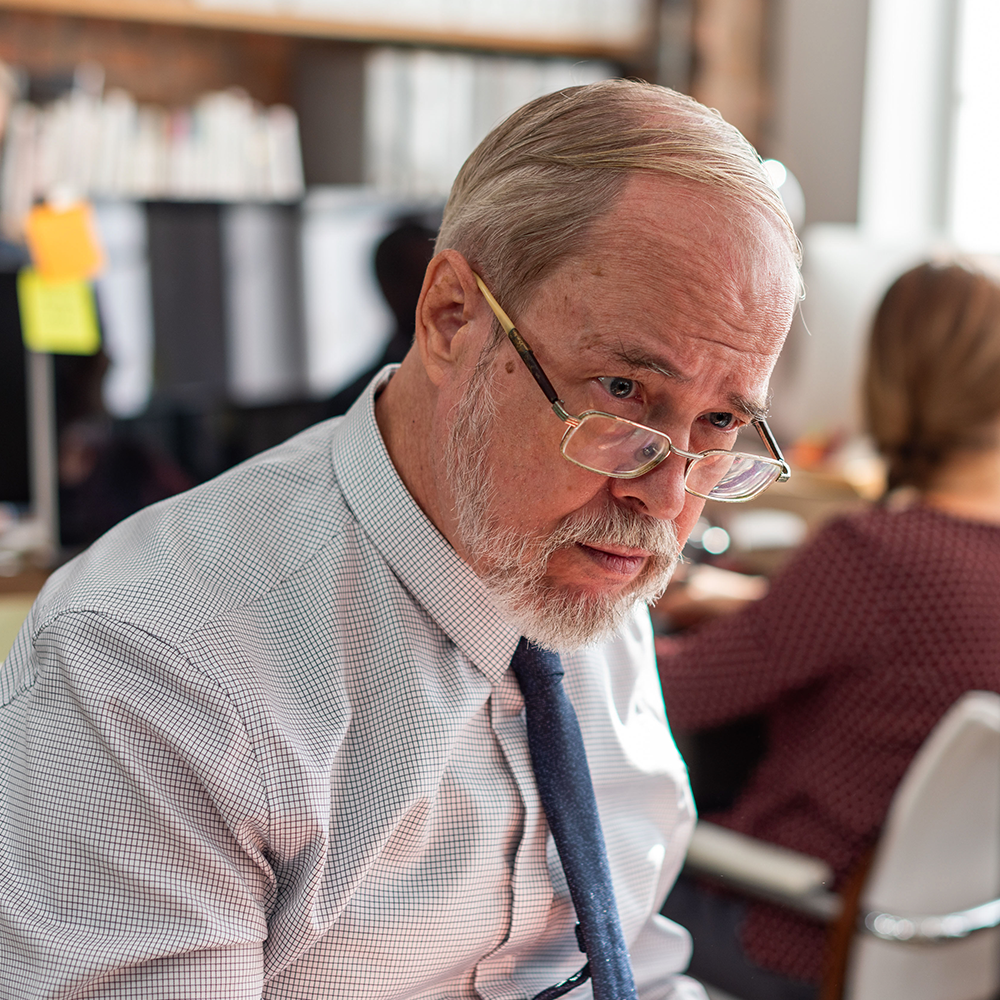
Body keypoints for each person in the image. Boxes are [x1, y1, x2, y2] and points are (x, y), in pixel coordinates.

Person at [0, 80, 800, 999]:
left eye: (722, 424)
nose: (665, 499)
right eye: (621, 390)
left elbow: (635, 971)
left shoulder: (583, 564)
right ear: (452, 314)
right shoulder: (149, 671)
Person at [658, 260, 1000, 1000]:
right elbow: (908, 654)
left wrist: (598, 634)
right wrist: (755, 609)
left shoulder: (875, 557)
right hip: (947, 951)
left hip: (790, 928)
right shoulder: (938, 563)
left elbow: (667, 697)